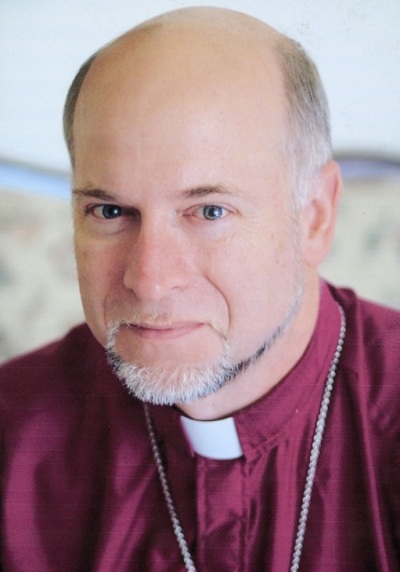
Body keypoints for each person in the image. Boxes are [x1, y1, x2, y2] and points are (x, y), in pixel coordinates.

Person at [0, 6, 399, 571]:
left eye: (209, 210)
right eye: (110, 210)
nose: (150, 280)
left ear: (313, 216)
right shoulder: (12, 434)